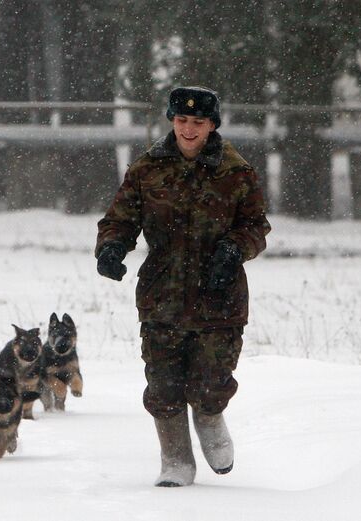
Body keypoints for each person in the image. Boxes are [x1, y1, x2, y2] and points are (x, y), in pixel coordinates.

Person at [94, 86, 271, 487]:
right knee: (163, 384)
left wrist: (234, 250)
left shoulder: (236, 171)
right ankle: (175, 459)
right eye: (181, 120)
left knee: (210, 382)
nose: (188, 129)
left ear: (211, 125)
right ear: (172, 121)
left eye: (198, 122)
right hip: (162, 294)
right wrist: (111, 248)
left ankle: (210, 419)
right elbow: (120, 218)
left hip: (218, 296)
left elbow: (256, 226)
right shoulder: (146, 169)